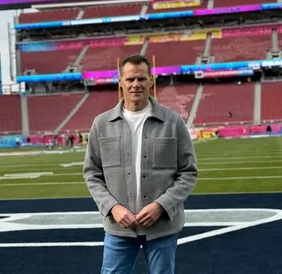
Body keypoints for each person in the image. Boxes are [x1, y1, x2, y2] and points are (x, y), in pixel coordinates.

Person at [83, 54, 198, 274]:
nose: (135, 84)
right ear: (120, 82)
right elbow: (92, 174)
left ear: (150, 81)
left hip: (162, 225)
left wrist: (161, 206)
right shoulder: (101, 124)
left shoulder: (172, 121)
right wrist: (113, 208)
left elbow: (188, 172)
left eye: (141, 79)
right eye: (130, 79)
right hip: (119, 226)